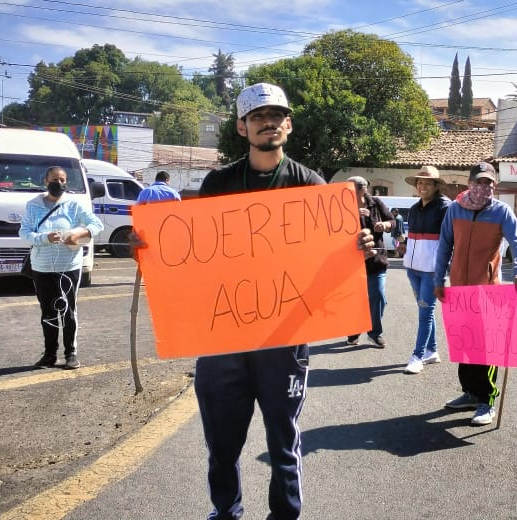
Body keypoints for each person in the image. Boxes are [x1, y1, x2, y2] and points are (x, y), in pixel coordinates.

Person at [131, 83, 375, 520]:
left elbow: (329, 258)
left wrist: (359, 246)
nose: (269, 123)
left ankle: (285, 514)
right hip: (223, 337)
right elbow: (194, 255)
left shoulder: (311, 185)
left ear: (289, 125)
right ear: (243, 127)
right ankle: (225, 511)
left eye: (277, 115)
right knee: (221, 446)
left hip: (285, 337)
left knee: (284, 444)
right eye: (258, 116)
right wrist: (150, 247)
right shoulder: (219, 182)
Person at [434, 162, 517, 426]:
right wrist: (439, 277)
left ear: (493, 186)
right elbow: (444, 246)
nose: (483, 188)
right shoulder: (454, 209)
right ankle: (471, 393)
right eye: (479, 182)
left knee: (487, 348)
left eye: (489, 183)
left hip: (488, 288)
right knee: (464, 342)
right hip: (459, 288)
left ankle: (487, 400)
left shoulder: (501, 212)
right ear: (469, 184)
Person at [19, 166, 104, 369]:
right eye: (55, 179)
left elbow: (96, 224)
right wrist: (43, 238)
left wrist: (79, 234)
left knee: (68, 310)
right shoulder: (33, 205)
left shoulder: (73, 205)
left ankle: (71, 353)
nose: (59, 183)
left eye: (63, 179)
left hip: (68, 267)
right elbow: (24, 233)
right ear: (46, 181)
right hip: (42, 267)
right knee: (47, 312)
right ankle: (49, 354)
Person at [400, 166, 450, 374]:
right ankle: (432, 351)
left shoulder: (445, 207)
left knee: (425, 313)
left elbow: (450, 239)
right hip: (412, 269)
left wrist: (443, 271)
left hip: (431, 271)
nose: (423, 186)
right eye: (420, 182)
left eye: (428, 183)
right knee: (425, 311)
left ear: (436, 186)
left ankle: (417, 356)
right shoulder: (414, 208)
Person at [345, 176, 394, 348]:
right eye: (351, 187)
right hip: (352, 262)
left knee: (378, 295)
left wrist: (383, 225)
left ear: (365, 189)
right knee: (356, 299)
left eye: (358, 188)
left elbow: (392, 221)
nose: (354, 191)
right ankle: (354, 331)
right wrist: (351, 214)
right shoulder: (342, 206)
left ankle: (374, 333)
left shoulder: (375, 203)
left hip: (376, 259)